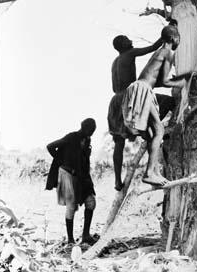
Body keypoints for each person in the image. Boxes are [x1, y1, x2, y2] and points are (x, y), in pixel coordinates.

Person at [122, 24, 191, 187]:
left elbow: (158, 80)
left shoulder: (159, 52)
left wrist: (180, 78)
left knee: (154, 132)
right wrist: (184, 81)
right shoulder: (168, 52)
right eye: (178, 38)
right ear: (175, 39)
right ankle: (148, 173)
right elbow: (166, 81)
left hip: (139, 88)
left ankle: (154, 172)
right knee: (159, 130)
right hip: (143, 89)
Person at [107, 33, 175, 190]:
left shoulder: (114, 62)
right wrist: (166, 36)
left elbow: (113, 87)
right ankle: (156, 132)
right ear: (123, 44)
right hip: (129, 96)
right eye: (126, 39)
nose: (130, 40)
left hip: (115, 100)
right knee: (169, 102)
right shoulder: (129, 53)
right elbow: (152, 48)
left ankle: (117, 180)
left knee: (118, 141)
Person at [45, 118, 97, 246]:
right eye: (90, 130)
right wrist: (61, 160)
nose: (91, 133)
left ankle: (85, 235)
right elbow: (50, 146)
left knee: (91, 202)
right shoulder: (71, 137)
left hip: (81, 175)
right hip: (66, 174)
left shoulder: (87, 140)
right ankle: (70, 239)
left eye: (93, 131)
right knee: (71, 205)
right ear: (84, 128)